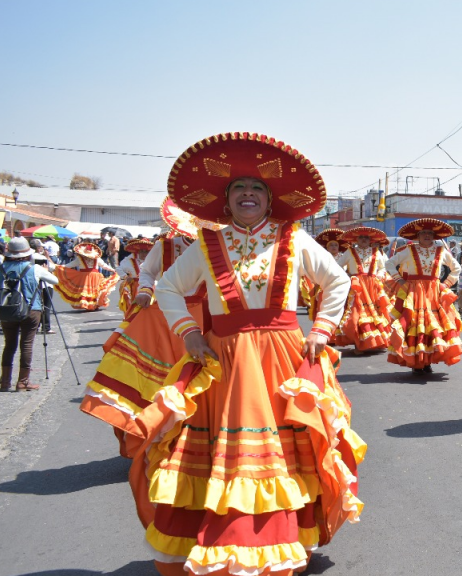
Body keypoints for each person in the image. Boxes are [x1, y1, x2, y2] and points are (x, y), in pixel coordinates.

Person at [120, 133, 364, 576]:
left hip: (282, 358)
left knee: (287, 449)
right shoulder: (208, 243)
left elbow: (337, 281)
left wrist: (323, 329)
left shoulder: (293, 238)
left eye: (256, 189)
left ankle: (282, 543)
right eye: (239, 189)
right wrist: (189, 332)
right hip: (225, 362)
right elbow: (169, 287)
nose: (247, 194)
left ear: (270, 200)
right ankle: (224, 544)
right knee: (225, 453)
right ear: (225, 200)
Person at [82, 199, 216, 460]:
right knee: (156, 380)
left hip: (206, 317)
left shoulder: (218, 247)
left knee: (199, 382)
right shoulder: (166, 246)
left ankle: (195, 441)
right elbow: (148, 272)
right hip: (167, 316)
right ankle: (155, 437)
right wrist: (144, 291)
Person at [385, 218, 462, 375]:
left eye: (430, 233)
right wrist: (399, 280)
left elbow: (457, 268)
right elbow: (389, 263)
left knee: (434, 324)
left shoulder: (441, 252)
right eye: (423, 233)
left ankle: (427, 359)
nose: (427, 236)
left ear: (434, 236)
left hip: (434, 293)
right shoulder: (409, 250)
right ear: (417, 236)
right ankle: (418, 361)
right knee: (415, 323)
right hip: (415, 292)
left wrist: (445, 284)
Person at [0, 237, 59, 391]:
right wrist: (44, 270)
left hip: (8, 309)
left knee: (9, 345)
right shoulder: (34, 269)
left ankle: (5, 381)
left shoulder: (1, 268)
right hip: (31, 309)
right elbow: (55, 280)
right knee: (26, 344)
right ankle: (23, 382)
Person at [335, 226, 392, 353]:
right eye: (361, 237)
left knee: (376, 313)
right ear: (356, 240)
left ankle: (376, 340)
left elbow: (384, 267)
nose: (364, 240)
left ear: (370, 240)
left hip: (373, 287)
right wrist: (348, 276)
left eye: (366, 237)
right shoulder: (349, 252)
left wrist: (379, 275)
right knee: (358, 313)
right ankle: (359, 343)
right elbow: (338, 266)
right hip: (357, 288)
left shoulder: (376, 252)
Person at [54, 242, 118, 310]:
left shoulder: (82, 259)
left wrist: (58, 267)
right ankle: (93, 304)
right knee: (94, 291)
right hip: (93, 276)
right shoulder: (93, 259)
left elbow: (69, 265)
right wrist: (113, 270)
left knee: (89, 291)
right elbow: (104, 265)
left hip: (86, 277)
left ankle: (91, 304)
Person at [115, 238, 153, 318]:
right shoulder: (130, 260)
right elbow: (119, 269)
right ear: (138, 252)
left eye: (146, 252)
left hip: (150, 286)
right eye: (142, 251)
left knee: (150, 304)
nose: (144, 254)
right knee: (135, 304)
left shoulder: (152, 261)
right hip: (135, 286)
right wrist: (126, 276)